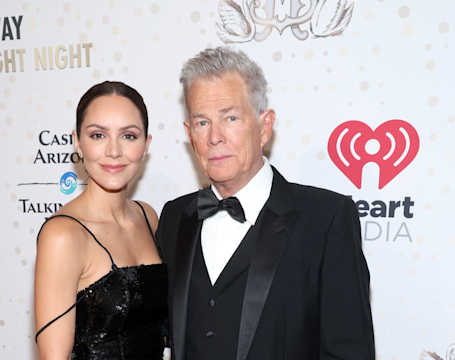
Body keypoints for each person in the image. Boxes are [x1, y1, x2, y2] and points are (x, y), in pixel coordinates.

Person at [156, 47, 375, 359]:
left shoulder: (326, 220)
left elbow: (349, 351)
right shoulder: (175, 217)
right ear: (190, 134)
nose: (215, 137)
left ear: (265, 126)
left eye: (230, 117)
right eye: (202, 122)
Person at [34, 81, 167, 359]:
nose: (114, 151)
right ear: (77, 142)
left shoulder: (148, 216)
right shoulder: (63, 235)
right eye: (98, 135)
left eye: (128, 136)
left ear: (146, 145)